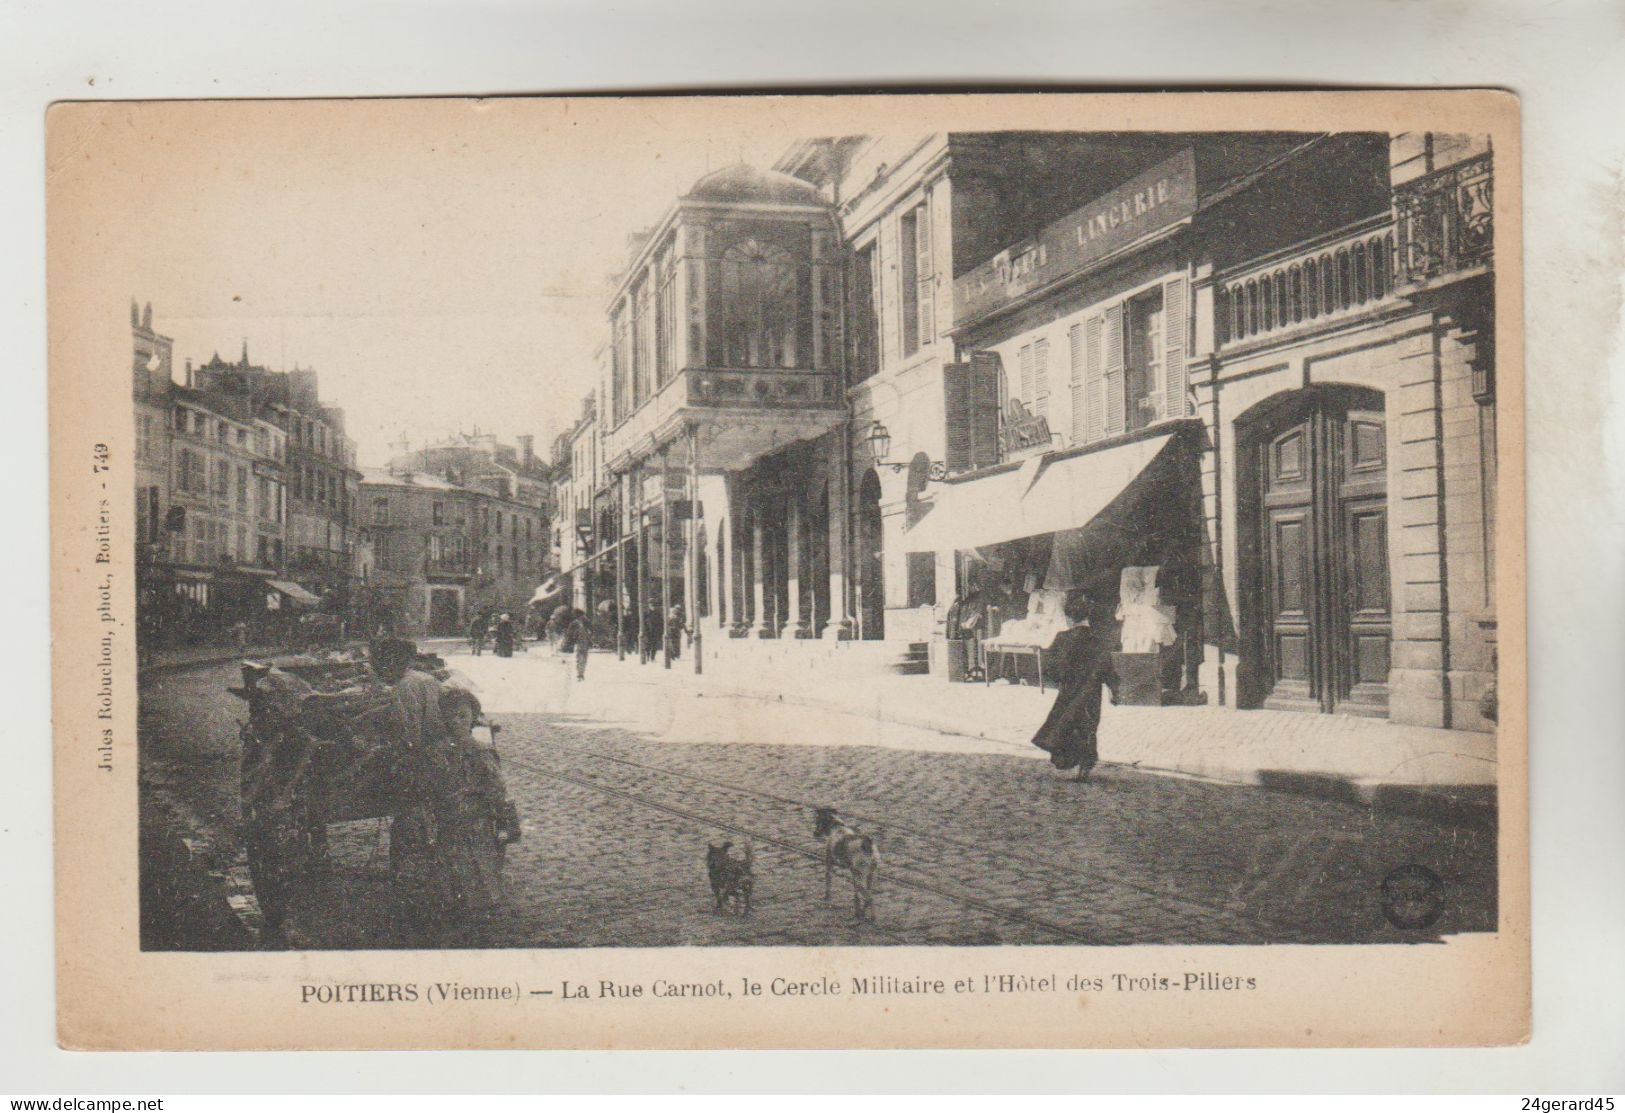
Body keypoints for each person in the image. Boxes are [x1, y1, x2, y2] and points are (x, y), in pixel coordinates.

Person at [1030, 593, 1121, 783]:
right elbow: (1107, 668)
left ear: (1069, 618)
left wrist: (1060, 679)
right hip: (1090, 692)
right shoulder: (1097, 640)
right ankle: (1085, 765)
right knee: (1087, 727)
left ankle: (1069, 759)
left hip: (1068, 691)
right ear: (1088, 617)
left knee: (1065, 724)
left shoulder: (1062, 638)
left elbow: (1049, 669)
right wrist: (1114, 690)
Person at [566, 612, 592, 681]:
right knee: (581, 659)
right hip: (580, 644)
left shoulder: (584, 625)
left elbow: (569, 633)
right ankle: (580, 673)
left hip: (582, 644)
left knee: (582, 659)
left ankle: (581, 673)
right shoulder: (578, 624)